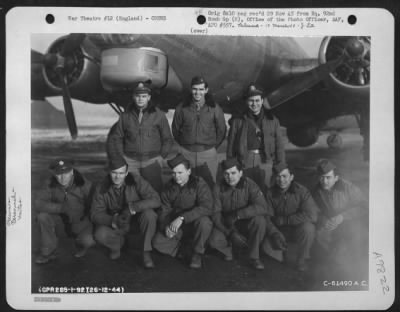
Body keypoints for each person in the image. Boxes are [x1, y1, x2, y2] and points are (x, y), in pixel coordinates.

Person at [91, 159, 160, 269]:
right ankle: (117, 246)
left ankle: (145, 251)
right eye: (114, 173)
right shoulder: (101, 187)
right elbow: (95, 214)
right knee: (99, 234)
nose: (117, 177)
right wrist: (113, 220)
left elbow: (156, 199)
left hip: (135, 222)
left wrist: (132, 207)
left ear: (126, 173)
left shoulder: (136, 180)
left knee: (149, 214)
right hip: (117, 225)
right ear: (109, 172)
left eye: (121, 173)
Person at [208, 158, 276, 270]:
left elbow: (262, 207)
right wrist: (228, 232)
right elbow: (215, 213)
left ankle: (254, 256)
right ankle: (231, 249)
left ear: (240, 173)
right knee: (213, 240)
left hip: (245, 223)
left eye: (233, 173)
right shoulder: (218, 187)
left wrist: (238, 214)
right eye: (226, 174)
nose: (230, 177)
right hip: (227, 224)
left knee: (260, 221)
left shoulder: (250, 184)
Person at [107, 82, 173, 193]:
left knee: (155, 192)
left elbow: (167, 139)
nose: (140, 99)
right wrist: (121, 158)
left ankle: (156, 210)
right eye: (137, 96)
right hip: (130, 162)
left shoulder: (159, 116)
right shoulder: (125, 117)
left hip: (152, 161)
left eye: (143, 96)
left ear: (149, 97)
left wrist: (161, 157)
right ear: (133, 97)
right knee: (130, 193)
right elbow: (117, 138)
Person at [152, 154, 213, 269]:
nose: (176, 177)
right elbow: (164, 211)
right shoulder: (168, 187)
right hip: (177, 227)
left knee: (205, 223)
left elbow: (207, 207)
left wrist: (182, 218)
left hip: (195, 224)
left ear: (189, 171)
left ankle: (197, 253)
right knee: (157, 242)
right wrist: (166, 226)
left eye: (180, 173)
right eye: (174, 173)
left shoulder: (199, 183)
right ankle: (185, 248)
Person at [33, 159, 95, 264]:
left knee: (89, 241)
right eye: (59, 174)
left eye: (66, 174)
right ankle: (48, 251)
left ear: (72, 172)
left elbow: (95, 206)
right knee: (42, 217)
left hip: (80, 222)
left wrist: (88, 222)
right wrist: (61, 208)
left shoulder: (84, 184)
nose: (62, 178)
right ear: (54, 174)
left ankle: (80, 244)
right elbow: (38, 204)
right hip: (60, 221)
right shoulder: (49, 184)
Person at [227, 84, 285, 193]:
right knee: (245, 191)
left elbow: (279, 145)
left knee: (266, 190)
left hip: (266, 160)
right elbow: (230, 146)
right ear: (246, 102)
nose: (254, 104)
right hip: (245, 160)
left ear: (262, 101)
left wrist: (281, 165)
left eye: (257, 100)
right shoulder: (237, 121)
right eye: (251, 101)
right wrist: (231, 165)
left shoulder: (272, 120)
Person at [263, 162, 318, 271]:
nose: (281, 180)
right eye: (278, 176)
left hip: (297, 229)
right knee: (268, 254)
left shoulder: (301, 191)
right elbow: (267, 217)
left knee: (308, 229)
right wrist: (274, 233)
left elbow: (312, 215)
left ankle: (301, 259)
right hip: (279, 230)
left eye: (285, 176)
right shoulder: (270, 193)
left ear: (291, 177)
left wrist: (285, 220)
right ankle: (282, 253)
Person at [171, 76, 226, 187]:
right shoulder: (182, 108)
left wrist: (212, 147)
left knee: (210, 184)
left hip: (208, 153)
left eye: (201, 89)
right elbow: (175, 129)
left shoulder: (215, 108)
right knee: (186, 185)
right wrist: (185, 145)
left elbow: (222, 130)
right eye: (195, 89)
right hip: (186, 153)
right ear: (191, 89)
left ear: (206, 90)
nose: (198, 92)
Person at [311, 159, 367, 260]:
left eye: (328, 177)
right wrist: (323, 220)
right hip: (329, 226)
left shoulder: (347, 187)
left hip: (350, 224)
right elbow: (312, 211)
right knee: (323, 255)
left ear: (336, 178)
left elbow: (364, 206)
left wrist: (343, 216)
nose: (324, 181)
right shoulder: (316, 192)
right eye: (321, 177)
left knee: (353, 254)